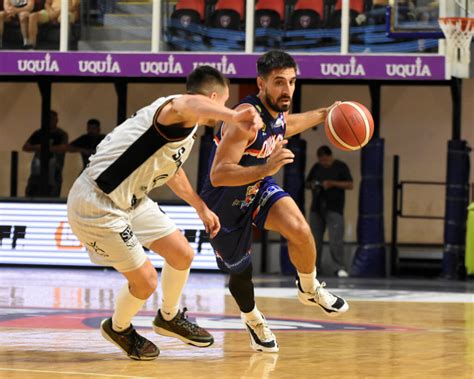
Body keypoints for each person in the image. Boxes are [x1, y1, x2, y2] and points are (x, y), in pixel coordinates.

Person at [67, 66, 262, 361]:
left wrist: (201, 206)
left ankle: (168, 317)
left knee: (182, 253)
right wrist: (234, 116)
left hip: (132, 200)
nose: (222, 111)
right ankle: (118, 327)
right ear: (212, 97)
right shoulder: (176, 109)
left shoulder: (186, 127)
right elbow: (186, 102)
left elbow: (171, 170)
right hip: (98, 203)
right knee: (145, 281)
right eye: (222, 104)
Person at [200, 50, 349, 353]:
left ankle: (309, 288)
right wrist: (268, 168)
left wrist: (323, 114)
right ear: (261, 83)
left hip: (257, 186)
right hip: (224, 203)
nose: (287, 90)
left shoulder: (275, 113)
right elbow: (218, 174)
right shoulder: (244, 120)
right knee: (241, 274)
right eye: (279, 82)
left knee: (301, 230)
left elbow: (286, 125)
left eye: (292, 82)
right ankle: (252, 318)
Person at [305, 145, 353, 278]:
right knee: (314, 240)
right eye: (322, 161)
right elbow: (307, 183)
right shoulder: (316, 167)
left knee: (335, 239)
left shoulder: (340, 166)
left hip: (334, 207)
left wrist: (332, 183)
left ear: (331, 157)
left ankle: (339, 267)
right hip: (317, 207)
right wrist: (314, 184)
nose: (324, 163)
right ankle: (314, 268)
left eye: (326, 160)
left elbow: (350, 184)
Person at [23, 110, 68, 197]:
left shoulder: (61, 134)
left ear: (56, 120)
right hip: (37, 171)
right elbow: (25, 147)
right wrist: (40, 147)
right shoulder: (39, 133)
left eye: (53, 119)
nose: (51, 121)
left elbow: (63, 148)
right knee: (32, 193)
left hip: (55, 170)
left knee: (52, 195)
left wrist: (44, 148)